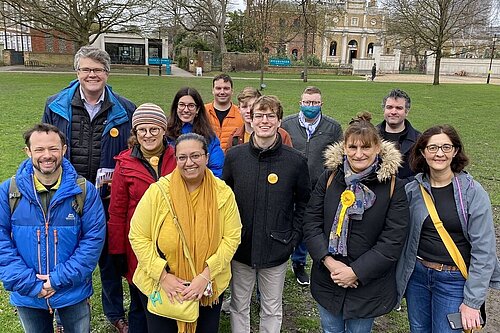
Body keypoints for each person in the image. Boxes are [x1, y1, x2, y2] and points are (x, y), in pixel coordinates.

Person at [42, 46, 135, 332]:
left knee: (109, 259)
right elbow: (47, 146)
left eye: (98, 69)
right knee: (66, 256)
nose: (92, 74)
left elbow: (133, 153)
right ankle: (61, 315)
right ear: (77, 72)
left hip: (108, 198)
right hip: (67, 195)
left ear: (107, 73)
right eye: (86, 69)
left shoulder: (125, 108)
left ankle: (115, 312)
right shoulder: (56, 104)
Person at [303, 112, 409, 333]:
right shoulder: (330, 177)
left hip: (367, 284)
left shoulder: (392, 187)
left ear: (377, 148)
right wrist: (330, 262)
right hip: (328, 277)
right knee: (330, 329)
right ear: (344, 148)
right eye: (352, 147)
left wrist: (356, 272)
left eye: (365, 148)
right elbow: (311, 222)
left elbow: (393, 240)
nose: (358, 154)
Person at [129, 133, 242, 333]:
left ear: (207, 157)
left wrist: (205, 277)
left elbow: (232, 238)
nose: (189, 162)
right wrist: (163, 276)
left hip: (207, 287)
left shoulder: (222, 193)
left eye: (195, 156)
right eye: (182, 157)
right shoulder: (158, 192)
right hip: (165, 287)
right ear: (176, 159)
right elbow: (138, 236)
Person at [0, 123, 106, 333]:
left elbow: (93, 241)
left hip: (72, 292)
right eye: (39, 149)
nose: (47, 155)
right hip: (28, 295)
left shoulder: (84, 191)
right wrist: (31, 284)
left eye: (53, 149)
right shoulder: (8, 191)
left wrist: (57, 280)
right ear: (28, 151)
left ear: (64, 150)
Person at [396, 125, 500, 333]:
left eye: (446, 147)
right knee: (419, 329)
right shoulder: (412, 191)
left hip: (454, 281)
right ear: (422, 152)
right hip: (417, 277)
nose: (439, 153)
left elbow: (484, 251)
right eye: (432, 148)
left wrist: (472, 302)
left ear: (455, 151)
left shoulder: (473, 193)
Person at [222, 95, 311, 333]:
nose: (264, 120)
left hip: (277, 248)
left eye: (270, 116)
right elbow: (224, 199)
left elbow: (304, 203)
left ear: (279, 121)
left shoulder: (296, 161)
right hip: (242, 248)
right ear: (250, 120)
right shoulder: (235, 156)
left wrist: (292, 238)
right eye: (259, 115)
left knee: (271, 307)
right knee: (240, 305)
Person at [108, 103, 177, 332]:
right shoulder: (124, 164)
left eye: (154, 129)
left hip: (172, 243)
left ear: (163, 130)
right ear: (135, 133)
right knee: (140, 302)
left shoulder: (178, 157)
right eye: (142, 130)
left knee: (170, 299)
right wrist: (117, 251)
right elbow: (117, 212)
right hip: (138, 246)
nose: (148, 135)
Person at [281, 86, 343, 286]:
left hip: (318, 187)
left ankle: (299, 262)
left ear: (321, 104)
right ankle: (281, 258)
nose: (311, 106)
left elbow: (337, 157)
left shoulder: (332, 128)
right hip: (290, 184)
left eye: (315, 103)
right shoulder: (287, 124)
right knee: (287, 222)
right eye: (307, 102)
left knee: (311, 225)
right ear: (301, 103)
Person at [166, 87, 224, 178]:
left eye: (191, 106)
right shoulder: (166, 133)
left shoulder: (209, 137)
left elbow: (217, 169)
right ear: (176, 107)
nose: (186, 110)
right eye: (181, 105)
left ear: (198, 109)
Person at [227, 86, 293, 149]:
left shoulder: (282, 135)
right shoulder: (235, 136)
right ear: (239, 109)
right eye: (244, 107)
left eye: (252, 106)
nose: (248, 111)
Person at [376, 89, 420, 180]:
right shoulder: (370, 136)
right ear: (384, 109)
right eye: (389, 107)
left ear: (407, 111)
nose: (393, 112)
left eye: (399, 108)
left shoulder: (419, 140)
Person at [204, 74, 243, 152]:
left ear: (232, 91)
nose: (222, 92)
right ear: (213, 90)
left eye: (226, 88)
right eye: (218, 88)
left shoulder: (241, 114)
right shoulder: (203, 112)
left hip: (231, 161)